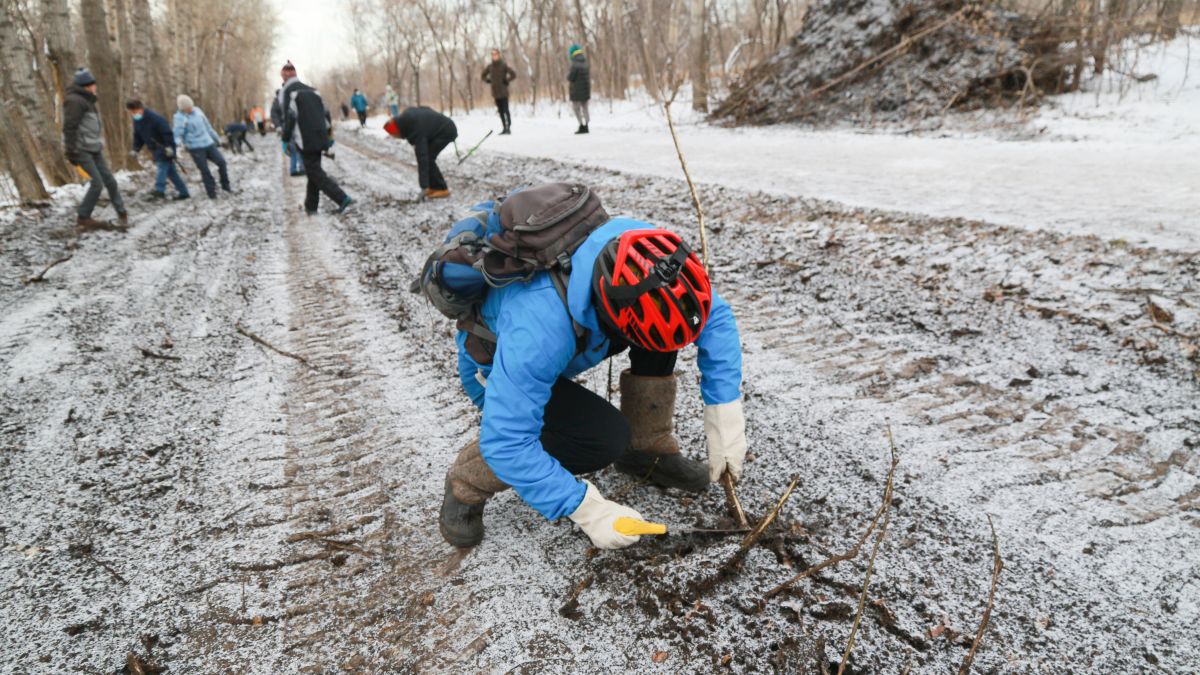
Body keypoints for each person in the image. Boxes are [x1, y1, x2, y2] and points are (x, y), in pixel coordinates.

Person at [437, 193, 746, 550]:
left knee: (663, 327)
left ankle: (646, 450)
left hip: (580, 330)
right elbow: (507, 443)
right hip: (493, 366)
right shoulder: (537, 332)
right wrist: (587, 509)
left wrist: (724, 410)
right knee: (600, 439)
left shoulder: (644, 250)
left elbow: (714, 317)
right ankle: (467, 482)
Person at [279, 61, 352, 215]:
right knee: (314, 170)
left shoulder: (288, 93)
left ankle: (342, 198)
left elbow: (289, 117)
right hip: (319, 136)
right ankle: (311, 207)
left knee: (315, 172)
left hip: (305, 139)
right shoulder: (314, 91)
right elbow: (326, 114)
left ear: (284, 76)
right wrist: (328, 134)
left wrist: (285, 139)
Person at [62, 68, 128, 229]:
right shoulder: (74, 101)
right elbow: (69, 127)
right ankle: (83, 217)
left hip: (94, 147)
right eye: (91, 84)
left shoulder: (88, 101)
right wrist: (71, 150)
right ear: (85, 86)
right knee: (97, 183)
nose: (94, 87)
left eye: (93, 83)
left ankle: (122, 212)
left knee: (110, 181)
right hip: (81, 149)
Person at [383, 106, 457, 200]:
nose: (399, 138)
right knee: (429, 157)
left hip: (446, 131)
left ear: (398, 131)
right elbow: (426, 109)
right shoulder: (406, 117)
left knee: (428, 158)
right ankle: (434, 187)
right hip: (443, 126)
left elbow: (422, 157)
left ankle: (442, 189)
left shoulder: (414, 129)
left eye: (396, 136)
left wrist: (423, 186)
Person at [126, 99, 189, 201]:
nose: (133, 114)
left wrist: (169, 147)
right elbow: (138, 136)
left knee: (162, 166)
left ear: (140, 109)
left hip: (164, 147)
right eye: (131, 113)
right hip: (154, 148)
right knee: (171, 172)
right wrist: (135, 149)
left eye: (134, 112)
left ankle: (159, 190)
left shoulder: (155, 118)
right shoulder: (137, 121)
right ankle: (184, 192)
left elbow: (167, 132)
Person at [173, 94, 232, 199]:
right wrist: (178, 146)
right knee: (205, 170)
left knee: (222, 162)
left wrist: (217, 139)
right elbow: (177, 135)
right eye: (188, 108)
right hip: (195, 148)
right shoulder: (179, 118)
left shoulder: (198, 111)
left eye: (191, 106)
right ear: (183, 109)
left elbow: (208, 127)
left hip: (208, 143)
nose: (190, 109)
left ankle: (226, 186)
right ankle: (212, 193)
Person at [482, 49, 517, 135]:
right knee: (500, 111)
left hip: (503, 92)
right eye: (492, 54)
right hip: (495, 93)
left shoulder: (503, 65)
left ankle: (508, 127)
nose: (494, 56)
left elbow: (513, 74)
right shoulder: (490, 67)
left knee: (506, 110)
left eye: (495, 54)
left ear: (499, 55)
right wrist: (488, 80)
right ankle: (504, 128)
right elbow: (483, 75)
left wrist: (507, 80)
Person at [271, 87, 304, 176]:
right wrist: (278, 126)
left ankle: (297, 169)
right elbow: (274, 114)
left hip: (292, 127)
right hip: (286, 127)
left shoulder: (289, 98)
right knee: (294, 148)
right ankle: (297, 168)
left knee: (296, 148)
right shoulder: (278, 101)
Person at [567, 44, 591, 134]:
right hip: (586, 90)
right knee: (585, 107)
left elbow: (570, 78)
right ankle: (587, 125)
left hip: (576, 91)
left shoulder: (575, 65)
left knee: (576, 108)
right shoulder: (585, 63)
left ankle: (581, 125)